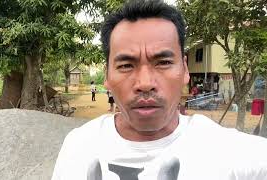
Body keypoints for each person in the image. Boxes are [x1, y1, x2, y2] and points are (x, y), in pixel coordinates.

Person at [51, 1, 267, 179]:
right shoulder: (78, 147)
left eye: (163, 62)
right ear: (107, 75)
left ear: (185, 69)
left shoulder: (228, 152)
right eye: (126, 65)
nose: (145, 83)